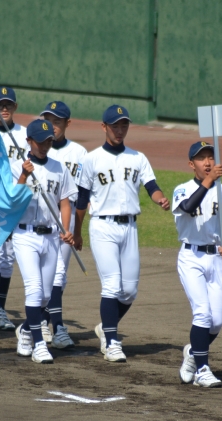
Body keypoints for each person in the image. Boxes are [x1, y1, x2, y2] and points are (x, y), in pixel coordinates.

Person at [74, 105, 170, 362]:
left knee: (129, 291)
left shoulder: (137, 157)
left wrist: (160, 199)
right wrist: (77, 232)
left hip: (129, 228)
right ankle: (111, 342)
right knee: (112, 284)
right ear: (104, 127)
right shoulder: (92, 159)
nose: (119, 130)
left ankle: (105, 327)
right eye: (114, 125)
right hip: (102, 226)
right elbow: (81, 200)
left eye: (123, 125)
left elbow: (152, 186)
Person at [175, 141, 222, 388]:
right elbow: (188, 207)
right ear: (192, 164)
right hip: (191, 257)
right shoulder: (182, 190)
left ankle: (193, 353)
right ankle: (202, 370)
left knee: (216, 321)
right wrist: (209, 181)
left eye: (211, 157)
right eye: (201, 158)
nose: (208, 162)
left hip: (216, 260)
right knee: (202, 313)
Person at [12, 119, 76, 364]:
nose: (45, 146)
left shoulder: (59, 168)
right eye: (40, 141)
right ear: (29, 141)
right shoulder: (17, 166)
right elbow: (12, 201)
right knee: (35, 290)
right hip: (25, 234)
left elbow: (64, 202)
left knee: (47, 296)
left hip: (50, 235)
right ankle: (39, 345)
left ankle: (26, 330)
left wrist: (66, 229)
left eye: (48, 141)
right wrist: (23, 175)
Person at [39, 101, 87, 349]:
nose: (51, 126)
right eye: (48, 121)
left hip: (67, 217)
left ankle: (49, 324)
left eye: (56, 122)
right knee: (44, 277)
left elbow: (83, 194)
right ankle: (49, 325)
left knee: (59, 275)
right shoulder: (38, 149)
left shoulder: (79, 153)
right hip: (42, 218)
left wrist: (77, 231)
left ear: (67, 123)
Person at [0, 86, 31, 331]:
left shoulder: (24, 135)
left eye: (8, 104)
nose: (4, 108)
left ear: (15, 107)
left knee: (8, 258)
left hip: (17, 203)